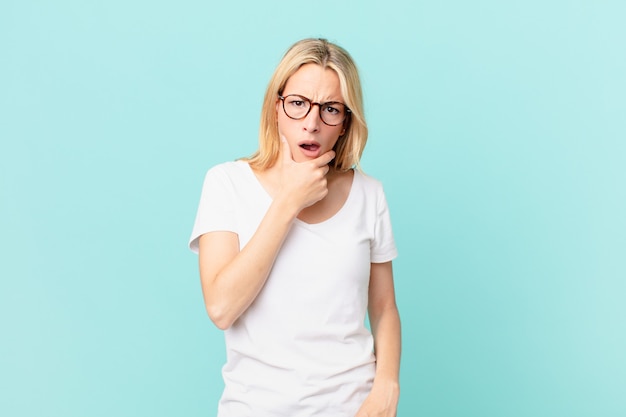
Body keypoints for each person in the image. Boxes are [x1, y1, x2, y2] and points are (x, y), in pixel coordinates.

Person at [189, 38, 401, 417]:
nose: (312, 122)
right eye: (299, 103)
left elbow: (383, 307)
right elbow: (222, 307)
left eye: (331, 109)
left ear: (345, 123)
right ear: (276, 108)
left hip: (353, 407)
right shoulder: (226, 184)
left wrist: (386, 388)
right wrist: (288, 201)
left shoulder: (369, 195)